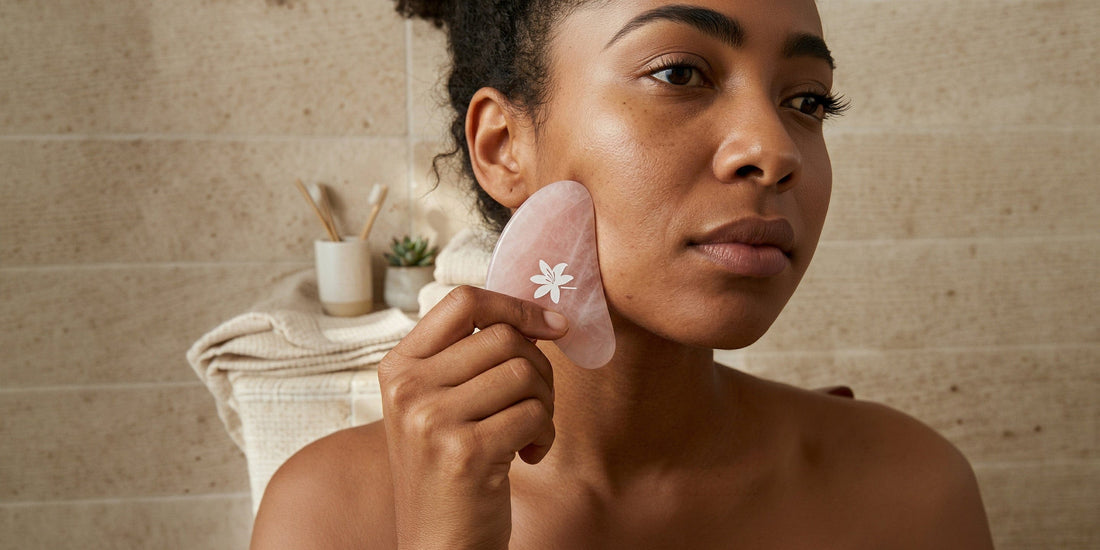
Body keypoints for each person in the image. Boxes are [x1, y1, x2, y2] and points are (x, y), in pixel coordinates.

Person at [250, 0, 995, 548]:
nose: (775, 149)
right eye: (679, 73)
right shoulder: (328, 516)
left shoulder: (911, 492)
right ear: (504, 145)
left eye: (807, 101)